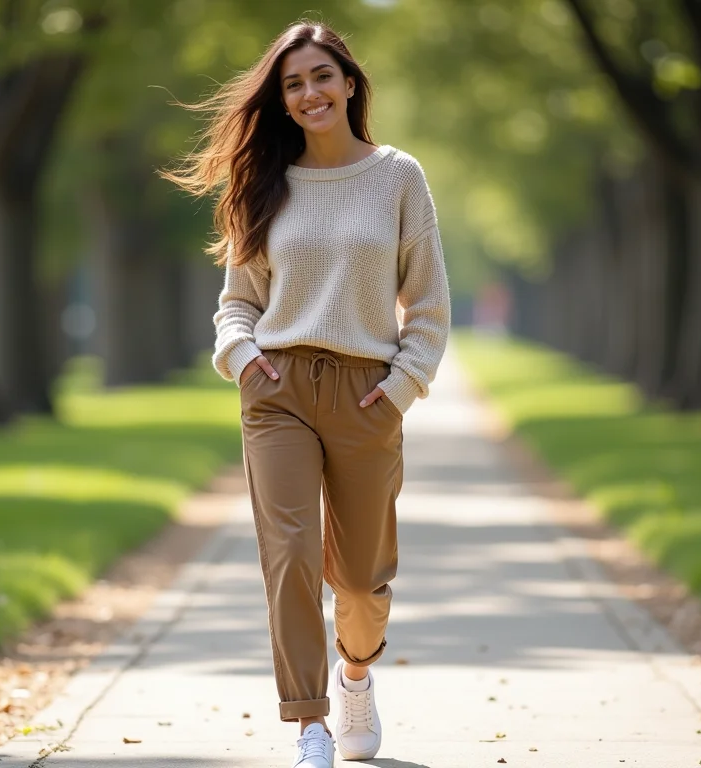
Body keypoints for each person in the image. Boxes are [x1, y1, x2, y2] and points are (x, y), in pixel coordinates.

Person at [165, 19, 450, 768]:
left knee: (359, 580)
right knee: (289, 553)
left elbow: (427, 306)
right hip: (278, 388)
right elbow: (237, 300)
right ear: (283, 101)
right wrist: (243, 354)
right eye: (293, 84)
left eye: (321, 76)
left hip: (366, 393)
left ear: (349, 83)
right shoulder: (265, 183)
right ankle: (310, 724)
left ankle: (356, 673)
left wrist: (400, 387)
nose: (309, 93)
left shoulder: (398, 176)